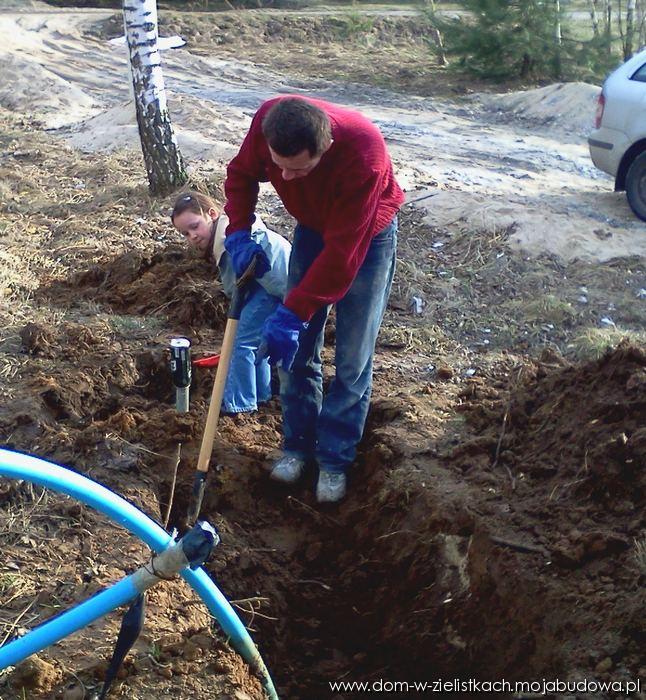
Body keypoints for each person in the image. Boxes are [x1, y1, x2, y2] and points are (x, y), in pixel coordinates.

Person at [222, 96, 405, 503]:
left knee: (352, 357)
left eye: (299, 169)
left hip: (366, 237)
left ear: (324, 150)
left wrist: (293, 312)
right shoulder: (270, 121)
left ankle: (334, 460)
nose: (286, 177)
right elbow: (240, 175)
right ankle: (297, 447)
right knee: (298, 353)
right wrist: (238, 229)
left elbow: (341, 259)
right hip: (312, 226)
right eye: (280, 166)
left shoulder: (363, 154)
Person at [170, 190, 291, 415]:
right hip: (268, 282)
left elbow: (233, 288)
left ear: (212, 214)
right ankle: (261, 394)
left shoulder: (227, 240)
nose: (192, 236)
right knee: (254, 339)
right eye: (185, 233)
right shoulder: (231, 226)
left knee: (240, 341)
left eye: (195, 226)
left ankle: (240, 404)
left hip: (276, 285)